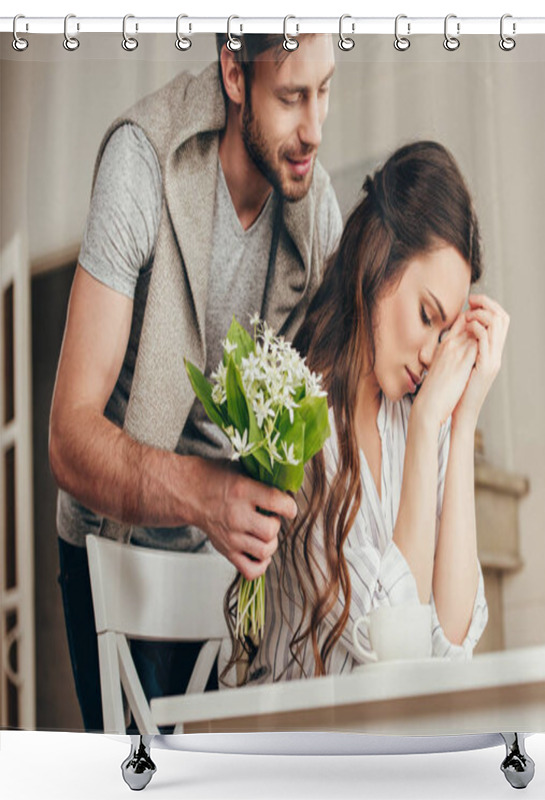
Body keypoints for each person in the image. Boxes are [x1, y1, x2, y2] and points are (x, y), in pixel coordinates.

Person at [49, 33, 341, 732]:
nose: (314, 130)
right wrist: (204, 494)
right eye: (291, 96)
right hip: (116, 545)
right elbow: (67, 438)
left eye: (325, 90)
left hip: (231, 567)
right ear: (234, 74)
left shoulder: (314, 209)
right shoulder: (142, 162)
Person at [223, 141, 510, 684]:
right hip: (294, 745)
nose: (432, 354)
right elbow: (393, 651)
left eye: (446, 334)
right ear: (380, 263)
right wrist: (428, 430)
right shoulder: (298, 421)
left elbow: (450, 647)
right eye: (427, 316)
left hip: (381, 740)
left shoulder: (414, 416)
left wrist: (462, 416)